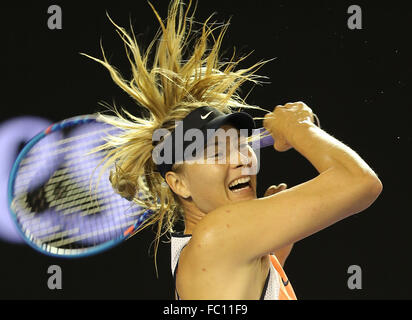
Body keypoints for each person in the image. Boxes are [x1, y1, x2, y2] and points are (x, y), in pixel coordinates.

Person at [84, 0, 382, 300]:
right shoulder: (218, 235)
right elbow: (361, 183)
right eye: (217, 152)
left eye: (241, 145)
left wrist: (274, 243)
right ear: (179, 184)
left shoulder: (216, 247)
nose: (242, 159)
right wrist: (298, 128)